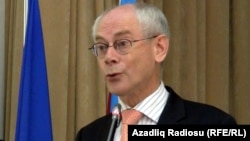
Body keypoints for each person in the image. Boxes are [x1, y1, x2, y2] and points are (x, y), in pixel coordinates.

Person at [75, 2, 237, 141]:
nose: (109, 57)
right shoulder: (89, 135)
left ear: (159, 48)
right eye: (102, 47)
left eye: (122, 43)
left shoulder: (214, 125)